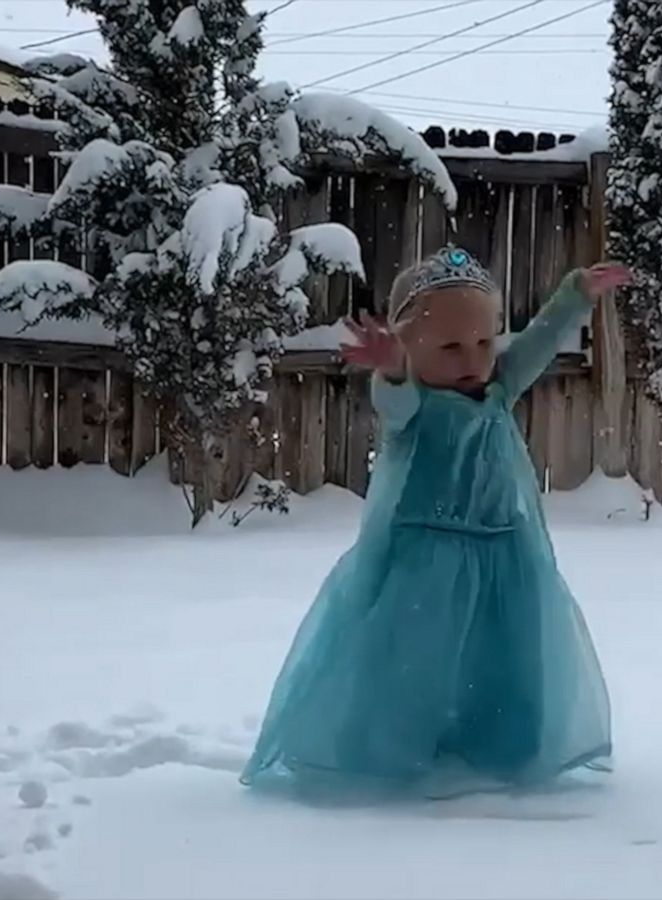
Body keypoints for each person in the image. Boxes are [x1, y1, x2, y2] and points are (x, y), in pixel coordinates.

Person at [240, 245, 631, 801]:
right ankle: (390, 750)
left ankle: (501, 743)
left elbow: (537, 343)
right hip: (426, 563)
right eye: (449, 346)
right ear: (408, 347)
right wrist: (393, 369)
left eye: (482, 343)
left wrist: (575, 298)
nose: (472, 359)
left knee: (505, 658)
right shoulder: (415, 410)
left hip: (504, 554)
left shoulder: (499, 389)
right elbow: (393, 396)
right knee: (413, 665)